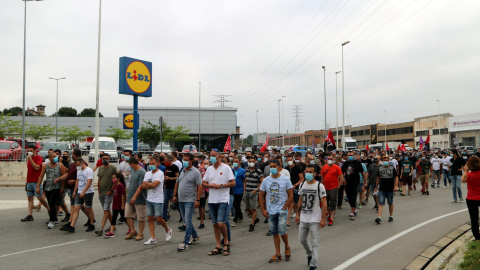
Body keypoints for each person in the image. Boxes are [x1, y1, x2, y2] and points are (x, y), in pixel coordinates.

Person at [260, 159, 294, 263]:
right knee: (274, 232)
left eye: (274, 166)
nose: (272, 168)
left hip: (282, 210)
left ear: (279, 167)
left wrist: (284, 207)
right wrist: (263, 209)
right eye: (271, 166)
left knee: (282, 231)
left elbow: (291, 195)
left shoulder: (285, 179)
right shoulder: (266, 180)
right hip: (271, 210)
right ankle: (278, 253)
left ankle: (287, 247)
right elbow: (261, 195)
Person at [202, 149, 235, 256]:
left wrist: (220, 186)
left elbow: (233, 182)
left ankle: (226, 242)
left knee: (221, 223)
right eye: (210, 156)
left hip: (223, 199)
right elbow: (204, 182)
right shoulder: (209, 169)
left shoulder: (226, 168)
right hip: (212, 199)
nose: (210, 158)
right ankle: (218, 246)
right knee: (215, 224)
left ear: (219, 157)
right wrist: (209, 185)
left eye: (213, 156)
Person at [295, 165, 327, 270]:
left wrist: (323, 218)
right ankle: (309, 253)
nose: (308, 173)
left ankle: (313, 263)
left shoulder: (319, 186)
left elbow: (324, 202)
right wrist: (298, 214)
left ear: (315, 174)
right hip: (304, 217)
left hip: (315, 219)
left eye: (310, 172)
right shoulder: (302, 185)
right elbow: (300, 199)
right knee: (302, 239)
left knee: (315, 242)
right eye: (306, 171)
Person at [174, 153, 202, 251]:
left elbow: (199, 186)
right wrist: (174, 195)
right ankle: (195, 236)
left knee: (188, 221)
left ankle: (185, 242)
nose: (184, 161)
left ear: (191, 161)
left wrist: (197, 199)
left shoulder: (196, 172)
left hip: (190, 200)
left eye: (186, 160)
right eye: (183, 160)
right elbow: (177, 183)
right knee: (186, 220)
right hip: (181, 199)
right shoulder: (182, 170)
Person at [142, 157, 172, 245]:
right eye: (150, 164)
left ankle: (168, 229)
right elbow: (143, 186)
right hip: (149, 198)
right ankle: (153, 237)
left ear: (157, 163)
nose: (151, 165)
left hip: (158, 199)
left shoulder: (160, 173)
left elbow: (155, 185)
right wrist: (149, 184)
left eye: (153, 164)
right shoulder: (147, 173)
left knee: (158, 219)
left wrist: (148, 184)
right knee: (150, 218)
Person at [63, 158, 95, 233]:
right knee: (75, 208)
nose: (77, 167)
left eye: (78, 165)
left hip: (88, 193)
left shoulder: (89, 170)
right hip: (79, 192)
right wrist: (74, 191)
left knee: (88, 208)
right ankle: (72, 226)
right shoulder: (79, 171)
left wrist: (83, 192)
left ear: (82, 163)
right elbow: (77, 181)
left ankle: (91, 223)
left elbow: (89, 182)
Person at [36, 152, 67, 228]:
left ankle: (51, 221)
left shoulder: (60, 165)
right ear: (49, 159)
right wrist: (37, 187)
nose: (56, 157)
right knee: (50, 203)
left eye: (56, 156)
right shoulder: (45, 166)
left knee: (52, 203)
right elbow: (41, 176)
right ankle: (55, 219)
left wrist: (62, 188)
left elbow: (63, 177)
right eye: (54, 156)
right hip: (48, 187)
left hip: (56, 187)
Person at [22, 145, 49, 222]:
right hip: (29, 181)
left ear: (34, 150)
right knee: (30, 198)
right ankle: (30, 215)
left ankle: (49, 209)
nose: (29, 152)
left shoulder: (38, 158)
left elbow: (37, 167)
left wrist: (30, 159)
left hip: (36, 181)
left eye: (31, 150)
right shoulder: (28, 159)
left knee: (40, 197)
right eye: (28, 150)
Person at [124, 157, 147, 241]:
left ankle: (141, 233)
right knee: (127, 215)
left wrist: (135, 196)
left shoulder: (142, 172)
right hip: (130, 197)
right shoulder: (133, 171)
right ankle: (133, 231)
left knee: (141, 217)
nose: (129, 166)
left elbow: (141, 186)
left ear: (132, 163)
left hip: (139, 198)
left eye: (129, 164)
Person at [95, 154, 117, 236]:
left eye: (106, 158)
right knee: (107, 210)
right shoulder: (100, 168)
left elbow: (116, 181)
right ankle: (113, 225)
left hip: (109, 193)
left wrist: (111, 190)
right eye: (103, 158)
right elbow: (99, 180)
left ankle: (101, 228)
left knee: (106, 210)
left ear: (109, 159)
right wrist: (99, 192)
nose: (105, 160)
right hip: (102, 193)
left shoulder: (113, 168)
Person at [341, 151, 366, 220]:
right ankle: (354, 209)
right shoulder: (345, 163)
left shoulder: (357, 163)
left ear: (354, 155)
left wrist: (365, 181)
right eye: (349, 155)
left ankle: (352, 213)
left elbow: (362, 172)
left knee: (353, 196)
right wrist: (343, 180)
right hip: (347, 183)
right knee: (349, 197)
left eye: (351, 155)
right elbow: (342, 173)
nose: (350, 156)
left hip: (355, 182)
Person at [320, 154, 343, 226]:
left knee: (333, 203)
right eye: (328, 158)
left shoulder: (337, 167)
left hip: (333, 188)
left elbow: (341, 178)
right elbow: (322, 177)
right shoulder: (324, 167)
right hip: (325, 188)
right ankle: (329, 213)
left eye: (331, 158)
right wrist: (322, 186)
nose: (329, 160)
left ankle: (331, 218)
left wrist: (337, 188)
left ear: (333, 159)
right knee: (326, 203)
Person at [374, 155, 399, 224]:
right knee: (381, 203)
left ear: (388, 161)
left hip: (390, 188)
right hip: (382, 188)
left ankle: (391, 216)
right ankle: (379, 217)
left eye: (386, 160)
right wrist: (376, 186)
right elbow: (378, 178)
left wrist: (395, 186)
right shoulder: (380, 168)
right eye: (384, 160)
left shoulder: (392, 168)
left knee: (390, 202)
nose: (385, 161)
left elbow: (396, 177)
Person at [243, 156, 264, 232]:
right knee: (247, 208)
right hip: (247, 191)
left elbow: (262, 181)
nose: (251, 163)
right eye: (250, 161)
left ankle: (252, 224)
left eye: (252, 161)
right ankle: (255, 218)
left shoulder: (258, 171)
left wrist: (256, 190)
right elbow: (245, 181)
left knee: (253, 208)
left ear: (255, 162)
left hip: (253, 192)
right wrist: (244, 190)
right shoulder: (247, 170)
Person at [462, 156, 480, 241]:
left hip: (471, 198)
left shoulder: (468, 175)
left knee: (474, 219)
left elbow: (463, 180)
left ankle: (477, 237)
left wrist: (465, 171)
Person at [285, 154, 304, 226]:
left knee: (297, 204)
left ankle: (299, 217)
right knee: (290, 203)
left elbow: (302, 179)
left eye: (290, 160)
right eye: (288, 160)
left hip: (296, 188)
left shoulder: (298, 168)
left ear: (293, 160)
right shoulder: (286, 169)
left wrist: (295, 185)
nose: (289, 161)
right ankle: (290, 219)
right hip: (288, 189)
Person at [104, 173, 126, 238]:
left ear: (118, 178)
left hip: (120, 204)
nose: (113, 179)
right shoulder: (115, 185)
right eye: (112, 178)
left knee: (124, 218)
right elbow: (112, 191)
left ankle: (131, 228)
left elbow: (122, 195)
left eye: (114, 178)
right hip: (115, 204)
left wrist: (122, 205)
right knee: (114, 218)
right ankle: (111, 232)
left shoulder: (121, 185)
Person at [163, 156, 180, 222]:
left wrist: (170, 178)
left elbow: (178, 177)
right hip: (167, 188)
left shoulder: (174, 167)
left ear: (170, 160)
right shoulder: (167, 167)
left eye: (166, 160)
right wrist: (165, 183)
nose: (165, 162)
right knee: (164, 203)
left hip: (173, 188)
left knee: (175, 203)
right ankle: (164, 218)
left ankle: (182, 215)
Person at [231, 157, 246, 227]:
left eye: (236, 161)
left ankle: (235, 220)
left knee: (237, 205)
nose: (235, 163)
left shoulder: (242, 171)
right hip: (232, 190)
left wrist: (244, 190)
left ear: (239, 162)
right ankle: (240, 216)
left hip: (239, 190)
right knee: (234, 205)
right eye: (234, 161)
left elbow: (245, 181)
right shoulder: (231, 170)